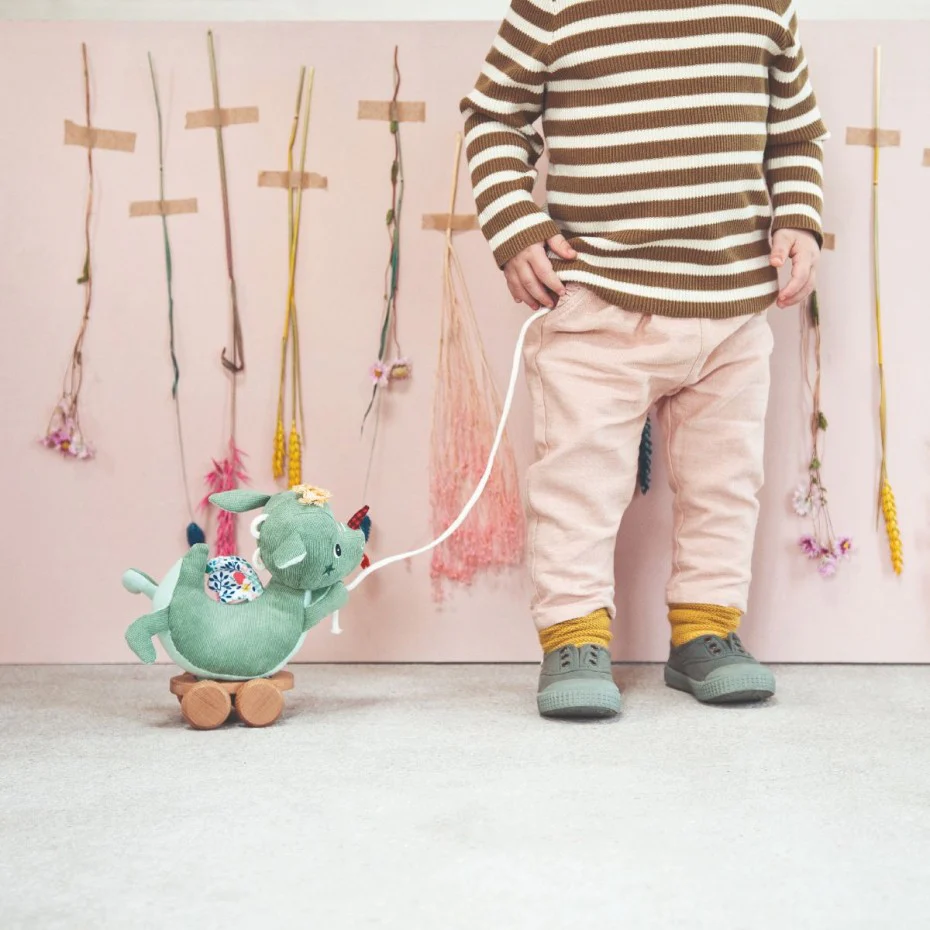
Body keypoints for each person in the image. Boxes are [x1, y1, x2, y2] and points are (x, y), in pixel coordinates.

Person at [460, 0, 828, 718]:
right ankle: (573, 636)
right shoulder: (553, 7)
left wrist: (798, 219)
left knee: (726, 482)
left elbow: (795, 131)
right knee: (577, 483)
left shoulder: (766, 9)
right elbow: (493, 115)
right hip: (600, 296)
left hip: (731, 307)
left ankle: (706, 630)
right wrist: (514, 224)